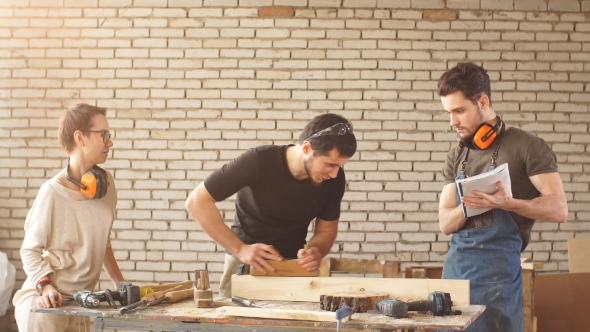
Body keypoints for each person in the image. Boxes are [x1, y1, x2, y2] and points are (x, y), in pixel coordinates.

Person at [437, 62, 568, 332]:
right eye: (449, 113)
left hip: (498, 281)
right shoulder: (457, 155)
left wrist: (507, 203)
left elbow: (559, 209)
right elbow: (445, 224)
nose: (453, 121)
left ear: (482, 101)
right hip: (455, 275)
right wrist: (469, 205)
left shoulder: (528, 147)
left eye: (459, 111)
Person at [186, 113, 357, 297]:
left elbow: (326, 231)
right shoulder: (258, 161)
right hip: (245, 263)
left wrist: (316, 251)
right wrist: (240, 249)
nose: (334, 174)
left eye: (340, 166)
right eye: (330, 165)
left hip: (293, 266)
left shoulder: (334, 179)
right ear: (307, 148)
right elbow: (197, 202)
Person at [12, 103, 125, 332]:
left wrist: (122, 286)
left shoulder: (106, 187)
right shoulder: (51, 192)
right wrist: (45, 288)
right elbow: (29, 250)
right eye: (103, 135)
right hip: (45, 305)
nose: (109, 142)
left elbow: (102, 242)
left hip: (81, 305)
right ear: (79, 138)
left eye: (109, 135)